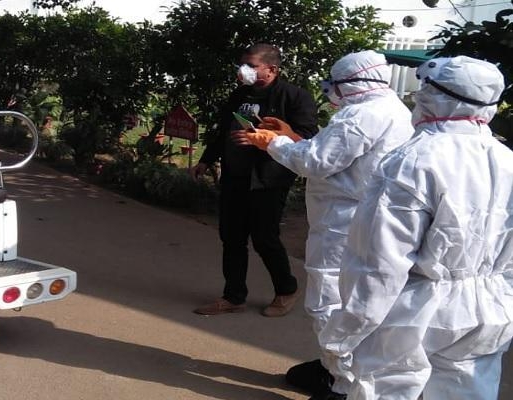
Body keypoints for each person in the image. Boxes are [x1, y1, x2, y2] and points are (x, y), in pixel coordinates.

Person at [317, 56, 512, 400]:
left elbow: (378, 265)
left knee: (386, 389)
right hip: (490, 309)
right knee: (467, 391)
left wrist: (344, 333)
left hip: (417, 312)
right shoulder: (506, 159)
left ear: (432, 96)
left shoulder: (412, 161)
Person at [238, 50, 414, 399]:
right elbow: (339, 155)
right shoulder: (393, 110)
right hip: (367, 220)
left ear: (352, 84)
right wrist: (293, 137)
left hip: (342, 223)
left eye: (334, 84)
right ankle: (335, 368)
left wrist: (274, 143)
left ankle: (340, 382)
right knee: (359, 301)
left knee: (328, 301)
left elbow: (316, 162)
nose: (331, 91)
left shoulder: (359, 115)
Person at [192, 43, 318, 317]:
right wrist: (206, 159)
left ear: (271, 69)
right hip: (235, 175)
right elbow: (223, 131)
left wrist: (265, 138)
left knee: (264, 238)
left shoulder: (295, 97)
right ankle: (233, 296)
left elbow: (307, 138)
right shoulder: (240, 94)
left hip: (269, 178)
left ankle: (286, 289)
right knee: (231, 237)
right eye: (243, 64)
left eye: (251, 65)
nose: (244, 70)